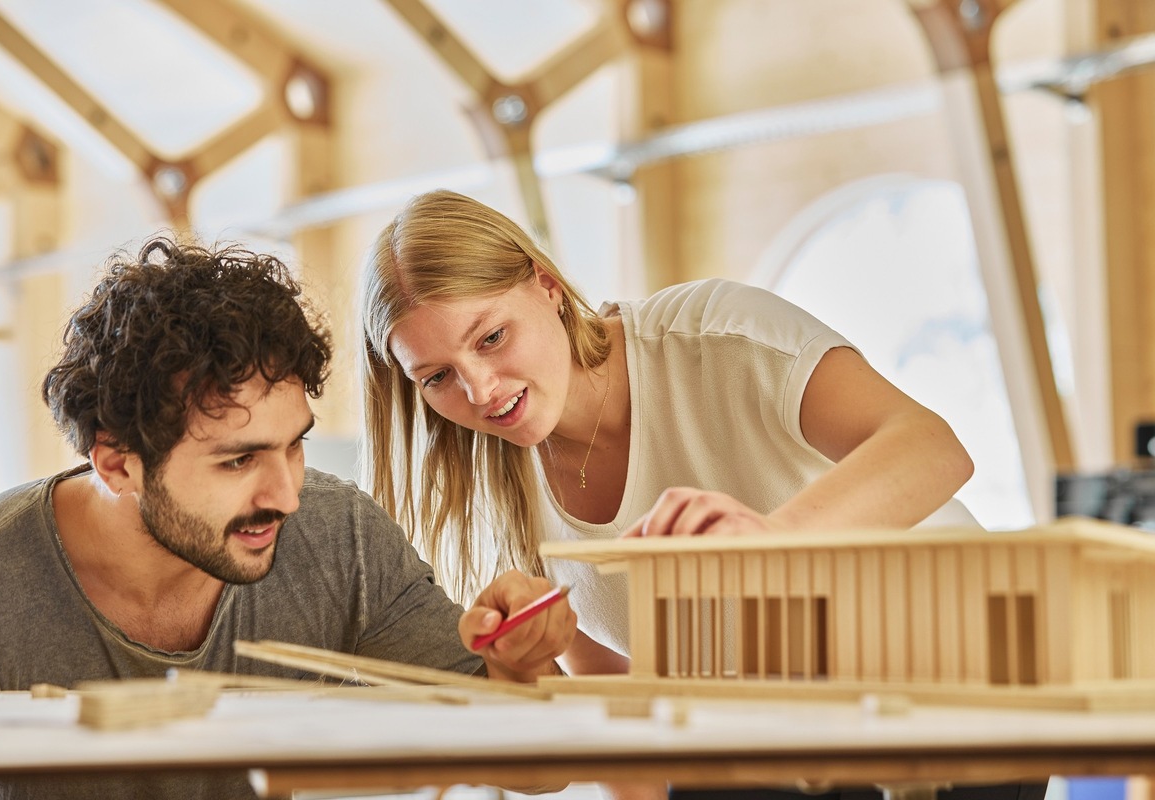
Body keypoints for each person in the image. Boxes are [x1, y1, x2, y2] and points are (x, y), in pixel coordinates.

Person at [0, 235, 575, 800]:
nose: (286, 495)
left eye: (294, 445)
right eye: (238, 460)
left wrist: (517, 664)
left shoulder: (339, 537)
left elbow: (538, 771)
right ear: (119, 466)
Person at [359, 188, 977, 677]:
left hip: (951, 682)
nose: (481, 391)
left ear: (546, 287)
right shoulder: (500, 490)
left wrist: (774, 540)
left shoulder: (718, 335)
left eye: (491, 337)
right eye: (438, 377)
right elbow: (616, 688)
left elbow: (933, 449)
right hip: (776, 750)